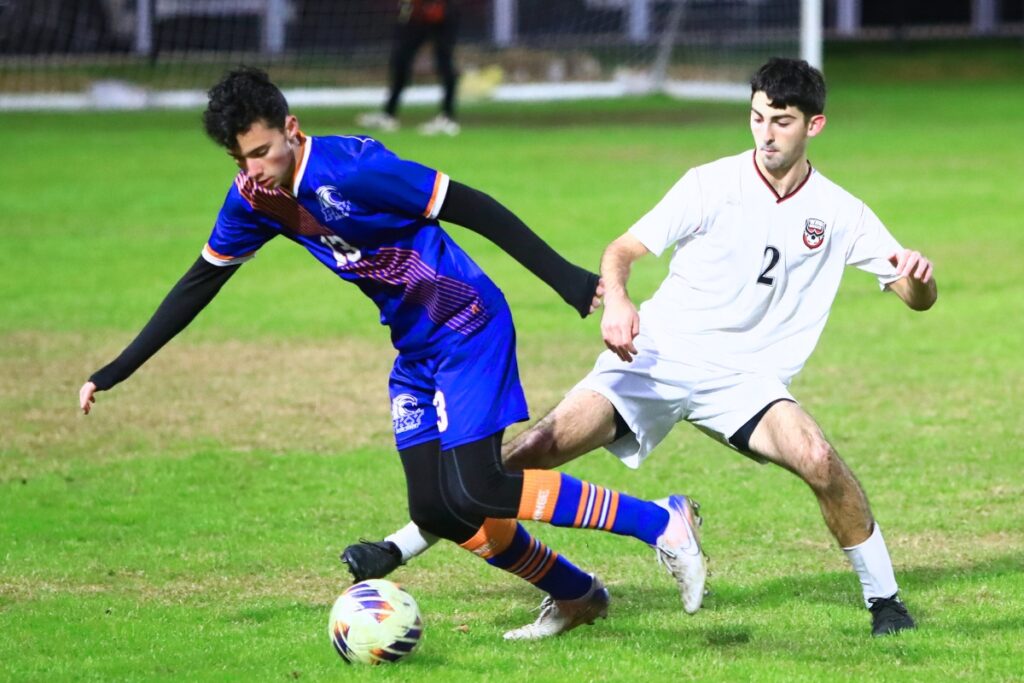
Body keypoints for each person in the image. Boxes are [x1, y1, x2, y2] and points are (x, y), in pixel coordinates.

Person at [77, 67, 707, 641]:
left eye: (264, 151)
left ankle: (661, 522)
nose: (257, 168)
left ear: (292, 130)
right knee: (437, 506)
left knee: (484, 486)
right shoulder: (255, 198)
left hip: (468, 326)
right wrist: (115, 371)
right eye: (243, 159)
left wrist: (566, 279)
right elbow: (200, 282)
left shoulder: (353, 169)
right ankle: (576, 595)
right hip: (415, 351)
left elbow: (473, 206)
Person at [343, 57, 936, 638]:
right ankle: (405, 546)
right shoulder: (711, 183)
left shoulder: (839, 211)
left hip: (745, 380)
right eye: (758, 117)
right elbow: (621, 251)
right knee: (530, 454)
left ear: (814, 125)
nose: (766, 133)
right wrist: (621, 303)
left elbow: (914, 298)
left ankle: (884, 600)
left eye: (782, 121)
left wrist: (918, 276)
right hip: (657, 357)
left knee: (819, 460)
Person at [357, 0, 461, 136]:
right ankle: (388, 115)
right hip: (419, 15)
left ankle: (447, 117)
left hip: (441, 13)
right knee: (401, 59)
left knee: (444, 63)